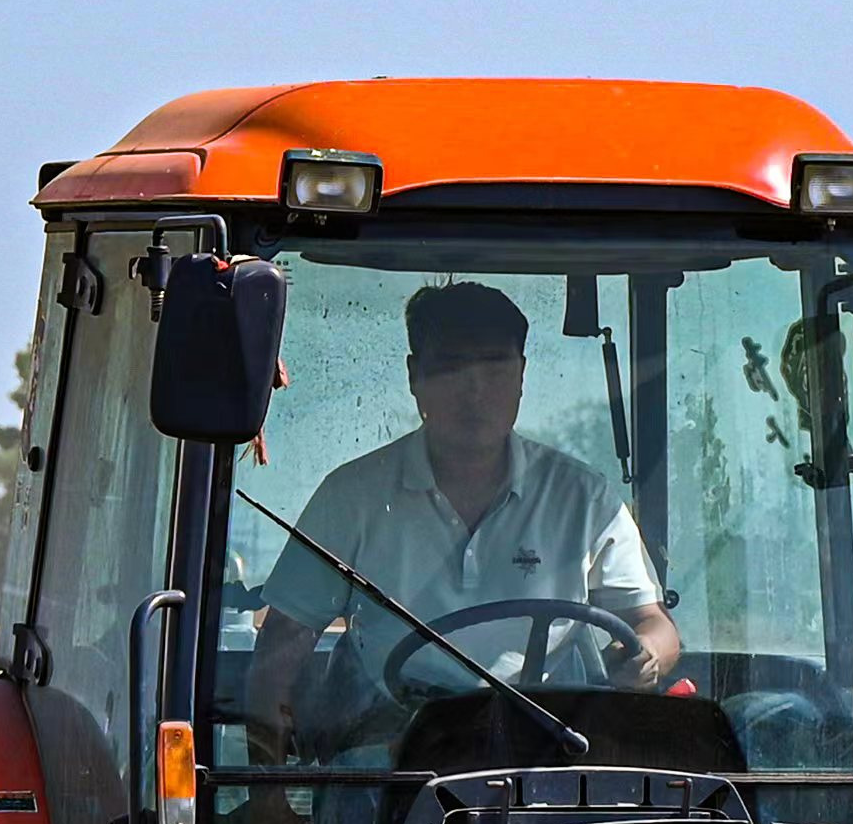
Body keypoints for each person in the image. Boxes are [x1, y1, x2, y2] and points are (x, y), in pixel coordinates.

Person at [239, 278, 684, 763]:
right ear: (415, 376)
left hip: (548, 744)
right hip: (390, 749)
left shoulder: (581, 497)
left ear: (521, 375)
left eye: (494, 367)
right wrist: (267, 798)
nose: (474, 392)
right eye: (451, 368)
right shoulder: (353, 496)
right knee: (355, 796)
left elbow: (652, 623)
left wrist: (647, 656)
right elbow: (283, 644)